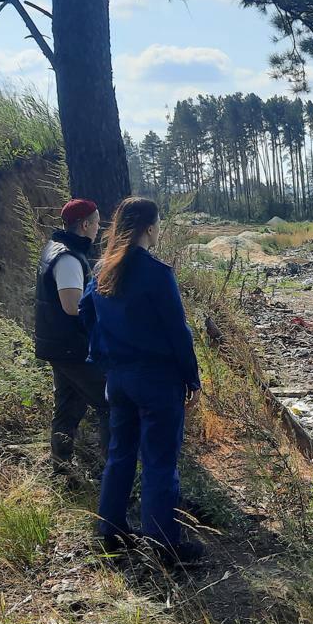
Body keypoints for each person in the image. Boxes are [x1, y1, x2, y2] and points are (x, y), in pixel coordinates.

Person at [81, 197, 204, 565]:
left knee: (120, 454)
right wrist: (191, 378)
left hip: (118, 378)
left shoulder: (103, 269)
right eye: (158, 224)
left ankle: (110, 531)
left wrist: (103, 355)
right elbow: (177, 331)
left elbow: (87, 313)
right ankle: (166, 544)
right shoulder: (155, 272)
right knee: (159, 460)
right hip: (155, 379)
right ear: (151, 228)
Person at [34, 198, 109, 467]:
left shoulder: (56, 248)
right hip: (71, 346)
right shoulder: (66, 257)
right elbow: (71, 305)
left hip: (59, 344)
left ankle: (62, 467)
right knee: (108, 403)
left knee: (68, 405)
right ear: (85, 224)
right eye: (97, 222)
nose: (99, 228)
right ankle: (113, 470)